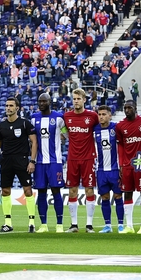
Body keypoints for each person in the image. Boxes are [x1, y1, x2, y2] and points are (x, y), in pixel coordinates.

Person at [0, 97, 38, 232]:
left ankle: (31, 222)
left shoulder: (25, 124)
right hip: (6, 160)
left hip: (22, 160)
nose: (8, 108)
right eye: (7, 105)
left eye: (11, 106)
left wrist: (32, 161)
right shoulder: (1, 125)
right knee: (5, 191)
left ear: (17, 108)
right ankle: (8, 223)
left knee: (28, 190)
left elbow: (34, 142)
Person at [63, 88, 99, 232]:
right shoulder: (67, 116)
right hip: (72, 158)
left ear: (84, 100)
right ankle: (74, 225)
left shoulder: (92, 116)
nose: (76, 101)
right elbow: (63, 131)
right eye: (74, 98)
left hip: (88, 158)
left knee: (89, 190)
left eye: (78, 98)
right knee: (72, 190)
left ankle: (89, 225)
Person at [31, 93, 66, 232]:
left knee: (56, 191)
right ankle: (44, 224)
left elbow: (66, 134)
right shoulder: (34, 118)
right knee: (41, 192)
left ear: (50, 102)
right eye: (40, 101)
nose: (41, 103)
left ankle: (59, 224)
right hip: (39, 162)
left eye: (44, 101)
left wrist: (62, 138)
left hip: (54, 161)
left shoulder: (59, 118)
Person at [115, 100, 141, 233]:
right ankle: (129, 226)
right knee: (127, 193)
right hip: (127, 164)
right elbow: (121, 145)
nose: (127, 110)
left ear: (135, 108)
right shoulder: (120, 126)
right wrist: (122, 164)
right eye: (125, 108)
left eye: (129, 108)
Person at [94, 105, 125, 233]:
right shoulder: (94, 130)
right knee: (104, 197)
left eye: (104, 114)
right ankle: (107, 225)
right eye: (99, 114)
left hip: (115, 169)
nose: (101, 117)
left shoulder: (116, 128)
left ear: (110, 115)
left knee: (118, 196)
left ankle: (121, 225)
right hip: (101, 170)